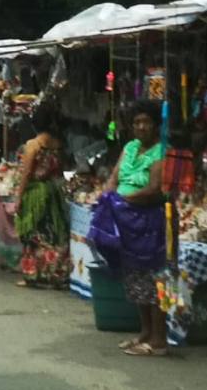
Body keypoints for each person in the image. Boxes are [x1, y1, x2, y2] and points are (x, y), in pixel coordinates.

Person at [88, 100, 172, 357]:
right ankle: (145, 332)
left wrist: (123, 201)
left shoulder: (161, 151)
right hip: (126, 222)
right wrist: (107, 196)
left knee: (153, 278)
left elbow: (154, 188)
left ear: (156, 125)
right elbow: (114, 178)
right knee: (135, 279)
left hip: (148, 221)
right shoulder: (129, 147)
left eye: (146, 122)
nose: (141, 127)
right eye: (137, 122)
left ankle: (158, 340)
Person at [12, 102, 71, 289]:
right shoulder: (58, 144)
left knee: (32, 234)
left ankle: (32, 275)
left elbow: (26, 173)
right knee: (52, 234)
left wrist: (18, 197)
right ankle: (54, 273)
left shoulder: (33, 145)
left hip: (36, 193)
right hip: (53, 192)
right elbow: (59, 171)